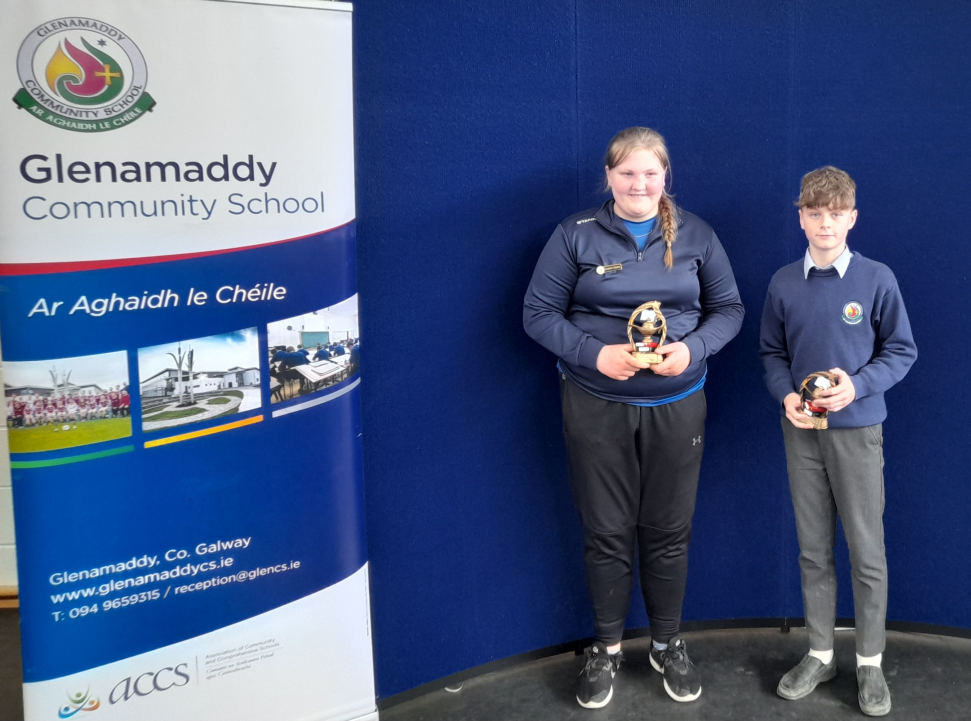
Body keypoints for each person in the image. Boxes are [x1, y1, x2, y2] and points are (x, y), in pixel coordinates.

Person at [523, 127, 744, 708]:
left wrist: (692, 350)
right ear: (609, 177)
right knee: (606, 530)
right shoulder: (574, 234)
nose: (639, 184)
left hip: (678, 404)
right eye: (627, 173)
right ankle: (607, 648)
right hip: (595, 404)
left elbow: (729, 309)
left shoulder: (697, 234)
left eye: (650, 173)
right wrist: (595, 354)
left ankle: (667, 644)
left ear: (665, 175)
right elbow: (537, 312)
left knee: (669, 530)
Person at [759, 166, 917, 717]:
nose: (825, 223)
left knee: (866, 551)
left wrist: (858, 386)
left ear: (853, 219)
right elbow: (772, 354)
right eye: (814, 213)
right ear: (800, 218)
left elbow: (901, 350)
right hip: (802, 432)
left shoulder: (876, 279)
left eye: (836, 214)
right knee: (812, 550)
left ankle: (869, 662)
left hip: (857, 432)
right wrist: (786, 395)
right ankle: (821, 654)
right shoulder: (783, 283)